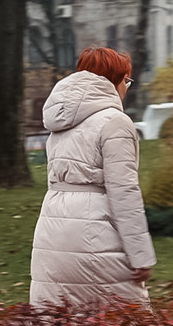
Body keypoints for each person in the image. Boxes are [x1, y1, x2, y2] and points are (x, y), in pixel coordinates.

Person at [30, 47, 156, 310]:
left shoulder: (60, 122)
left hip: (52, 230)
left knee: (58, 323)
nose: (125, 89)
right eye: (126, 81)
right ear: (115, 80)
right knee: (128, 324)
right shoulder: (115, 122)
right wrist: (141, 255)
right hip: (97, 233)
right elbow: (124, 193)